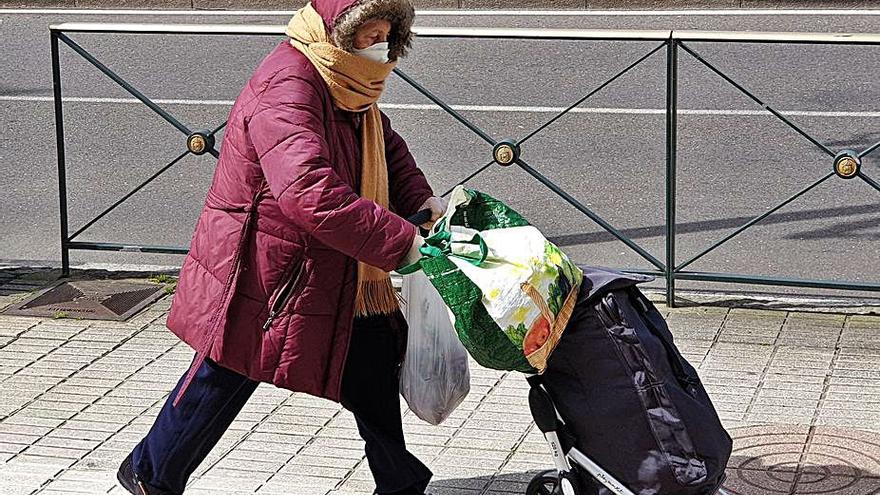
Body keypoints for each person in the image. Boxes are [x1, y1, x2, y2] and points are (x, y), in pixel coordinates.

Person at [116, 0, 446, 493]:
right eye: (367, 34)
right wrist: (402, 242)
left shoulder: (346, 80)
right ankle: (150, 472)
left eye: (385, 35)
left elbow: (384, 144)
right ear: (336, 31)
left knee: (372, 359)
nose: (378, 47)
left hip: (335, 264)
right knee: (226, 369)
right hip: (265, 265)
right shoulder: (289, 84)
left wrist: (419, 197)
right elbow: (308, 190)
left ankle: (398, 481)